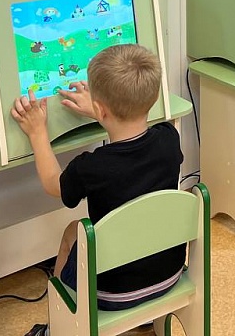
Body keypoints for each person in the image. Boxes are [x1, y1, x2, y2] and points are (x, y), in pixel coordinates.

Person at [12, 44, 184, 336]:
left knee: (73, 232)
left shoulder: (91, 167)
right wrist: (103, 112)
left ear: (100, 109)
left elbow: (53, 183)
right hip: (169, 275)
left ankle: (60, 326)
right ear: (154, 99)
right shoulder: (170, 138)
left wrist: (38, 132)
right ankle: (145, 318)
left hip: (112, 292)